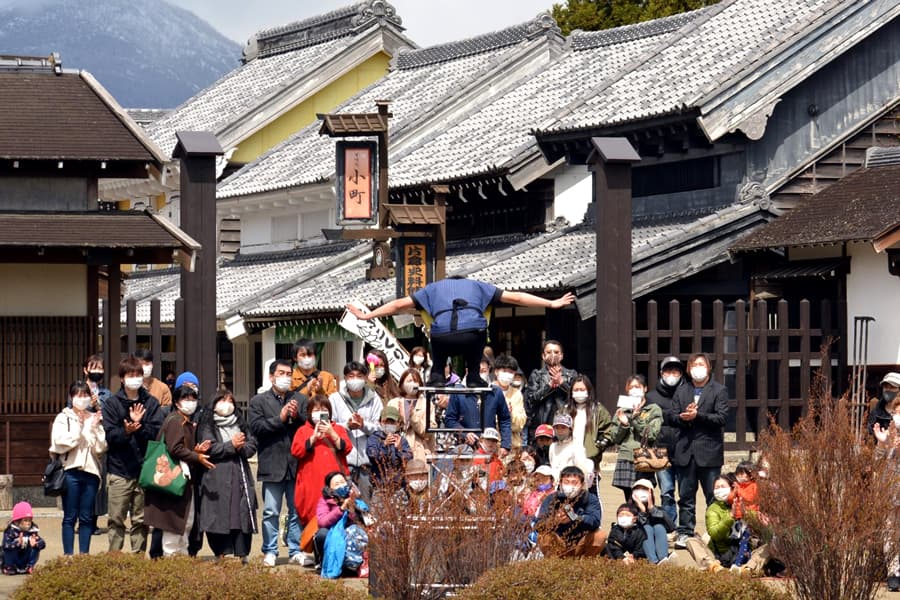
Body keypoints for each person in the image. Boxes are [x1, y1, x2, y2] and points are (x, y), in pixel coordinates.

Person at [346, 277, 575, 387]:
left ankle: (436, 376)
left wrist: (368, 315)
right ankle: (474, 375)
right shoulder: (479, 287)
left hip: (442, 337)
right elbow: (517, 297)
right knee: (476, 337)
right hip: (472, 335)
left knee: (437, 344)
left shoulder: (432, 289)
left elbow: (397, 305)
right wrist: (551, 303)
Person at [102, 356, 163, 553]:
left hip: (144, 470)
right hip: (119, 470)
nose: (135, 378)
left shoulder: (151, 403)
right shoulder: (112, 403)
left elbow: (156, 433)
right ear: (122, 378)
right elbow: (110, 436)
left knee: (141, 520)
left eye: (138, 374)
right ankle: (115, 560)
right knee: (116, 519)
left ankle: (137, 562)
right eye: (130, 375)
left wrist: (139, 426)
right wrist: (126, 431)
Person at [144, 385, 215, 556]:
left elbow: (181, 447)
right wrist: (196, 457)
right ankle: (173, 561)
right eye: (186, 399)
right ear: (176, 401)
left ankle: (180, 560)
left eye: (193, 399)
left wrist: (195, 451)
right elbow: (175, 448)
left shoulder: (184, 420)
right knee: (173, 524)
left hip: (180, 478)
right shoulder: (176, 420)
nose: (190, 403)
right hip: (173, 479)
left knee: (183, 523)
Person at [668, 353, 730, 549]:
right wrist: (683, 417)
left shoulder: (719, 390)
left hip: (709, 452)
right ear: (689, 369)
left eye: (701, 364)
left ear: (708, 367)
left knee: (714, 495)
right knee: (686, 496)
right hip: (685, 452)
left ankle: (716, 532)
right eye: (694, 364)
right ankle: (685, 532)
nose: (697, 368)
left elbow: (721, 418)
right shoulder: (682, 390)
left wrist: (698, 415)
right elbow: (671, 416)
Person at [249, 359, 307, 567]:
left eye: (289, 374)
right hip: (271, 464)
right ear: (271, 377)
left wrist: (296, 415)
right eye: (281, 373)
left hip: (294, 464)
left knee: (295, 510)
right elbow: (256, 428)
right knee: (271, 511)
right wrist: (280, 418)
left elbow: (308, 425)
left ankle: (295, 549)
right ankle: (270, 550)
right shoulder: (258, 401)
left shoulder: (299, 398)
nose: (285, 378)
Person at [197, 390, 258, 563]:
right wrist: (231, 445)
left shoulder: (240, 423)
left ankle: (242, 552)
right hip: (216, 474)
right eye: (223, 400)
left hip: (240, 473)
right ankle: (220, 552)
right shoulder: (208, 424)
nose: (227, 403)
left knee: (240, 514)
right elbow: (210, 448)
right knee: (217, 514)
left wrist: (241, 447)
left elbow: (251, 444)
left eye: (230, 400)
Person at [50, 381, 107, 555]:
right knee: (69, 517)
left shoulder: (94, 417)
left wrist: (96, 427)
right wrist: (80, 429)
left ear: (91, 397)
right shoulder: (63, 417)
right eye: (78, 395)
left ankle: (84, 556)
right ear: (71, 397)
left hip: (91, 472)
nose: (82, 399)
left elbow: (101, 449)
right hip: (70, 471)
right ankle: (68, 556)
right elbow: (59, 444)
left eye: (85, 395)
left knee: (86, 517)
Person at [292, 397, 353, 533]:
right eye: (316, 410)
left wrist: (332, 433)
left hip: (335, 481)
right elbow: (296, 451)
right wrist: (313, 438)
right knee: (312, 513)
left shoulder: (338, 429)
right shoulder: (303, 430)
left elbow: (347, 448)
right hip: (311, 482)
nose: (320, 413)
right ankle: (312, 547)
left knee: (336, 511)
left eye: (324, 410)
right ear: (309, 412)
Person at [329, 361, 384, 502]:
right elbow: (330, 426)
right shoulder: (335, 399)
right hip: (343, 462)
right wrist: (347, 425)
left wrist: (363, 425)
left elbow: (379, 428)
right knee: (344, 504)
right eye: (351, 376)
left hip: (367, 462)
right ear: (345, 378)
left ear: (365, 378)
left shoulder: (374, 399)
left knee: (366, 506)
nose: (355, 379)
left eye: (359, 376)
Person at [609, 375, 662, 501]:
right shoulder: (622, 410)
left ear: (645, 388)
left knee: (644, 498)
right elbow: (615, 438)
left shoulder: (653, 409)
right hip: (626, 457)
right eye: (631, 387)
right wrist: (624, 424)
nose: (634, 390)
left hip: (644, 458)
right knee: (629, 500)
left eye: (637, 387)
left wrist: (636, 418)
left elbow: (652, 434)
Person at [645, 355, 684, 524]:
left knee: (685, 492)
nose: (672, 374)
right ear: (661, 373)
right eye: (668, 371)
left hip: (684, 448)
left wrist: (664, 415)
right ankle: (670, 525)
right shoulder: (651, 396)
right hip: (660, 449)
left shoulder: (687, 393)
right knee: (666, 491)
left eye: (676, 371)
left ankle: (685, 527)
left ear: (681, 374)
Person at [536, 466, 605, 558]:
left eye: (574, 483)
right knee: (544, 536)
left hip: (581, 542)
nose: (570, 486)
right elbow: (539, 524)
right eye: (566, 482)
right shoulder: (552, 499)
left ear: (582, 484)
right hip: (559, 542)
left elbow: (595, 521)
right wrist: (555, 521)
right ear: (560, 483)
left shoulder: (590, 499)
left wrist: (574, 518)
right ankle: (554, 564)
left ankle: (585, 564)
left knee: (600, 535)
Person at [873, 392, 900, 592]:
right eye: (895, 414)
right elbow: (876, 460)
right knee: (890, 532)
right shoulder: (889, 434)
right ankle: (894, 573)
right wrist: (883, 442)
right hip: (890, 491)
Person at [444, 382, 512, 458]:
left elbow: (505, 419)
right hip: (464, 450)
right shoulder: (458, 391)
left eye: (484, 370)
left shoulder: (496, 391)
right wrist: (465, 433)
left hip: (489, 449)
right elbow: (449, 420)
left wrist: (505, 445)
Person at [526, 340, 577, 438]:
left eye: (556, 352)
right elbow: (531, 399)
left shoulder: (571, 374)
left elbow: (576, 397)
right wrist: (549, 385)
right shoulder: (537, 374)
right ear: (543, 356)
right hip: (541, 425)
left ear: (561, 355)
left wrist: (562, 383)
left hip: (565, 424)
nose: (553, 355)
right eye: (549, 352)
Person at [565, 375, 612, 477]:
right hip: (568, 459)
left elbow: (609, 431)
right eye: (576, 389)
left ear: (588, 391)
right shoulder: (564, 410)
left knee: (590, 490)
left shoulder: (598, 410)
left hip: (590, 459)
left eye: (582, 389)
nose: (579, 392)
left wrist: (597, 447)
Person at [314, 472, 361, 568]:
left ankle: (353, 563)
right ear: (330, 489)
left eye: (342, 482)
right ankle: (325, 561)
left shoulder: (353, 497)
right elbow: (322, 522)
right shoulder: (324, 501)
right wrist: (341, 509)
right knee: (322, 534)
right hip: (332, 532)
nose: (341, 485)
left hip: (349, 533)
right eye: (337, 484)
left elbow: (362, 520)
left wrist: (353, 508)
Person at [387, 369, 435, 461]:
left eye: (415, 381)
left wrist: (413, 416)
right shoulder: (393, 403)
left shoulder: (427, 404)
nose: (412, 384)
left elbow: (428, 432)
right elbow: (387, 428)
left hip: (420, 452)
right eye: (409, 381)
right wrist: (399, 420)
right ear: (402, 384)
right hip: (398, 451)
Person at [366, 405, 413, 489]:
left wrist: (399, 449)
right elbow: (373, 456)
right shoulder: (374, 439)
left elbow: (409, 459)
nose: (389, 425)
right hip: (380, 486)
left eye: (392, 422)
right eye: (386, 422)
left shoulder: (402, 440)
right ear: (380, 422)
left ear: (398, 423)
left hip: (399, 486)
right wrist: (384, 445)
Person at [631, 478, 674, 564]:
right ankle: (653, 561)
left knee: (659, 527)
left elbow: (671, 527)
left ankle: (663, 559)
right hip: (638, 547)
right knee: (646, 528)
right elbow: (632, 530)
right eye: (638, 489)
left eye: (644, 490)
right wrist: (642, 511)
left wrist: (652, 509)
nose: (641, 492)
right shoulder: (629, 510)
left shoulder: (658, 509)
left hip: (658, 546)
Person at [493, 355, 527, 450]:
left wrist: (510, 414)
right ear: (496, 372)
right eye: (504, 371)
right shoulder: (488, 391)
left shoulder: (517, 394)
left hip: (512, 447)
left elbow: (520, 424)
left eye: (511, 372)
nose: (507, 375)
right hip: (491, 445)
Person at [548, 413, 593, 484]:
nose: (560, 431)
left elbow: (582, 470)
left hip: (570, 485)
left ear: (570, 429)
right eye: (557, 427)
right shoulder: (553, 446)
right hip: (556, 486)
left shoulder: (576, 446)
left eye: (563, 427)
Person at [2, 503, 45, 575]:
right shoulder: (10, 531)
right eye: (25, 520)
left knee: (35, 548)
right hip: (14, 558)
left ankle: (29, 566)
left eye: (29, 520)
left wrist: (37, 544)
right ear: (17, 521)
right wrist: (17, 544)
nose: (28, 523)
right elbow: (5, 546)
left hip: (25, 557)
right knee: (9, 550)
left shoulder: (32, 531)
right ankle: (9, 567)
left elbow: (42, 543)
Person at [869, 372, 900, 436]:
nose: (888, 390)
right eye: (885, 387)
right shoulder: (876, 412)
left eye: (892, 387)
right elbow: (870, 436)